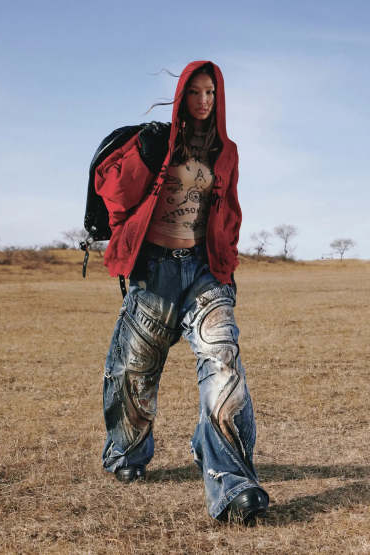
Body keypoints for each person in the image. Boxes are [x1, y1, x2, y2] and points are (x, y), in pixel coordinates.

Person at [93, 60, 269, 524]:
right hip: (155, 270)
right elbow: (115, 194)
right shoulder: (158, 142)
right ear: (182, 97)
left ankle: (233, 483)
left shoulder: (227, 152)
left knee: (223, 361)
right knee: (134, 370)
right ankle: (126, 452)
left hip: (204, 272)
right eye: (195, 92)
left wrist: (227, 268)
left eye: (211, 92)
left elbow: (230, 214)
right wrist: (140, 153)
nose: (204, 101)